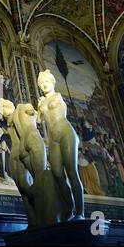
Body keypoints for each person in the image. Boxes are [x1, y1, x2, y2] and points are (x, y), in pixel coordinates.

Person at [37, 69, 84, 219]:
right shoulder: (42, 101)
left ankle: (80, 212)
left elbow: (56, 106)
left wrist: (43, 105)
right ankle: (69, 208)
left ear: (52, 82)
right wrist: (39, 108)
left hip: (65, 132)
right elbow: (38, 121)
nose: (44, 85)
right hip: (53, 138)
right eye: (42, 83)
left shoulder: (57, 96)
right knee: (57, 174)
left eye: (47, 82)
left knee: (72, 172)